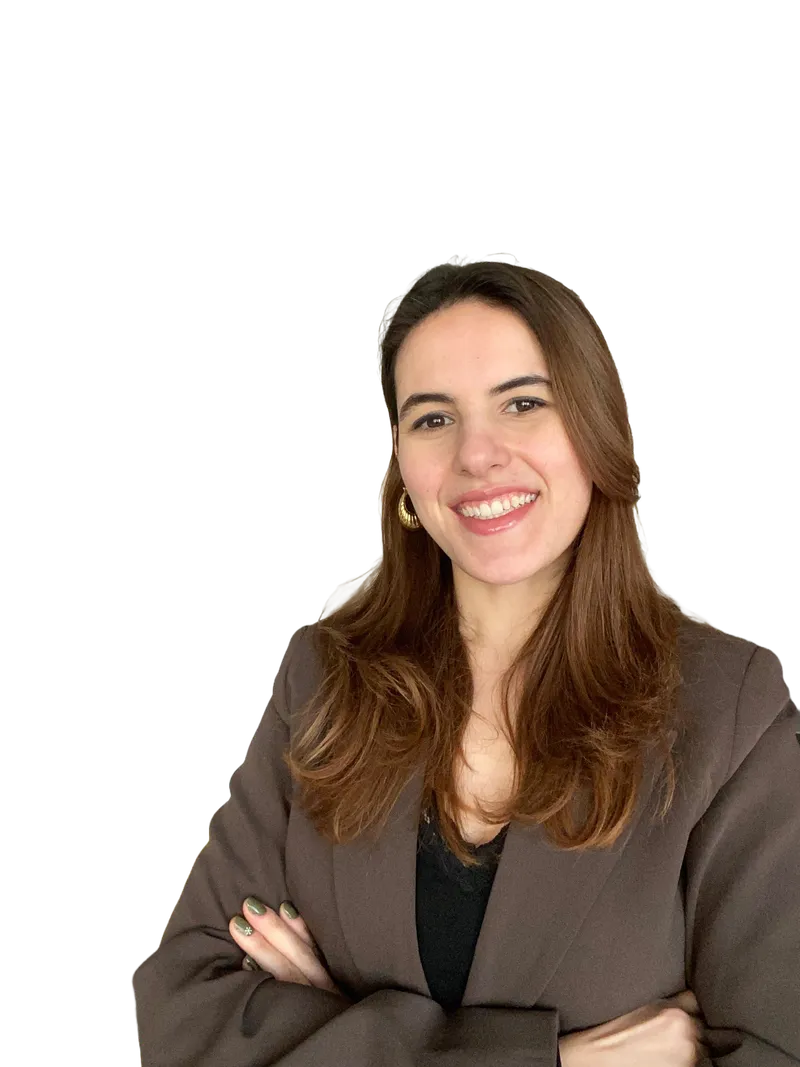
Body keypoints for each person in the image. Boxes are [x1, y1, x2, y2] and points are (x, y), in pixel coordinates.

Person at [131, 256, 799, 1065]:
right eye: (433, 417)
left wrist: (337, 1028)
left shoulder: (730, 711)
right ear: (402, 467)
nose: (477, 455)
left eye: (522, 403)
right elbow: (182, 1015)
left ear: (595, 429)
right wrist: (549, 1059)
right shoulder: (324, 681)